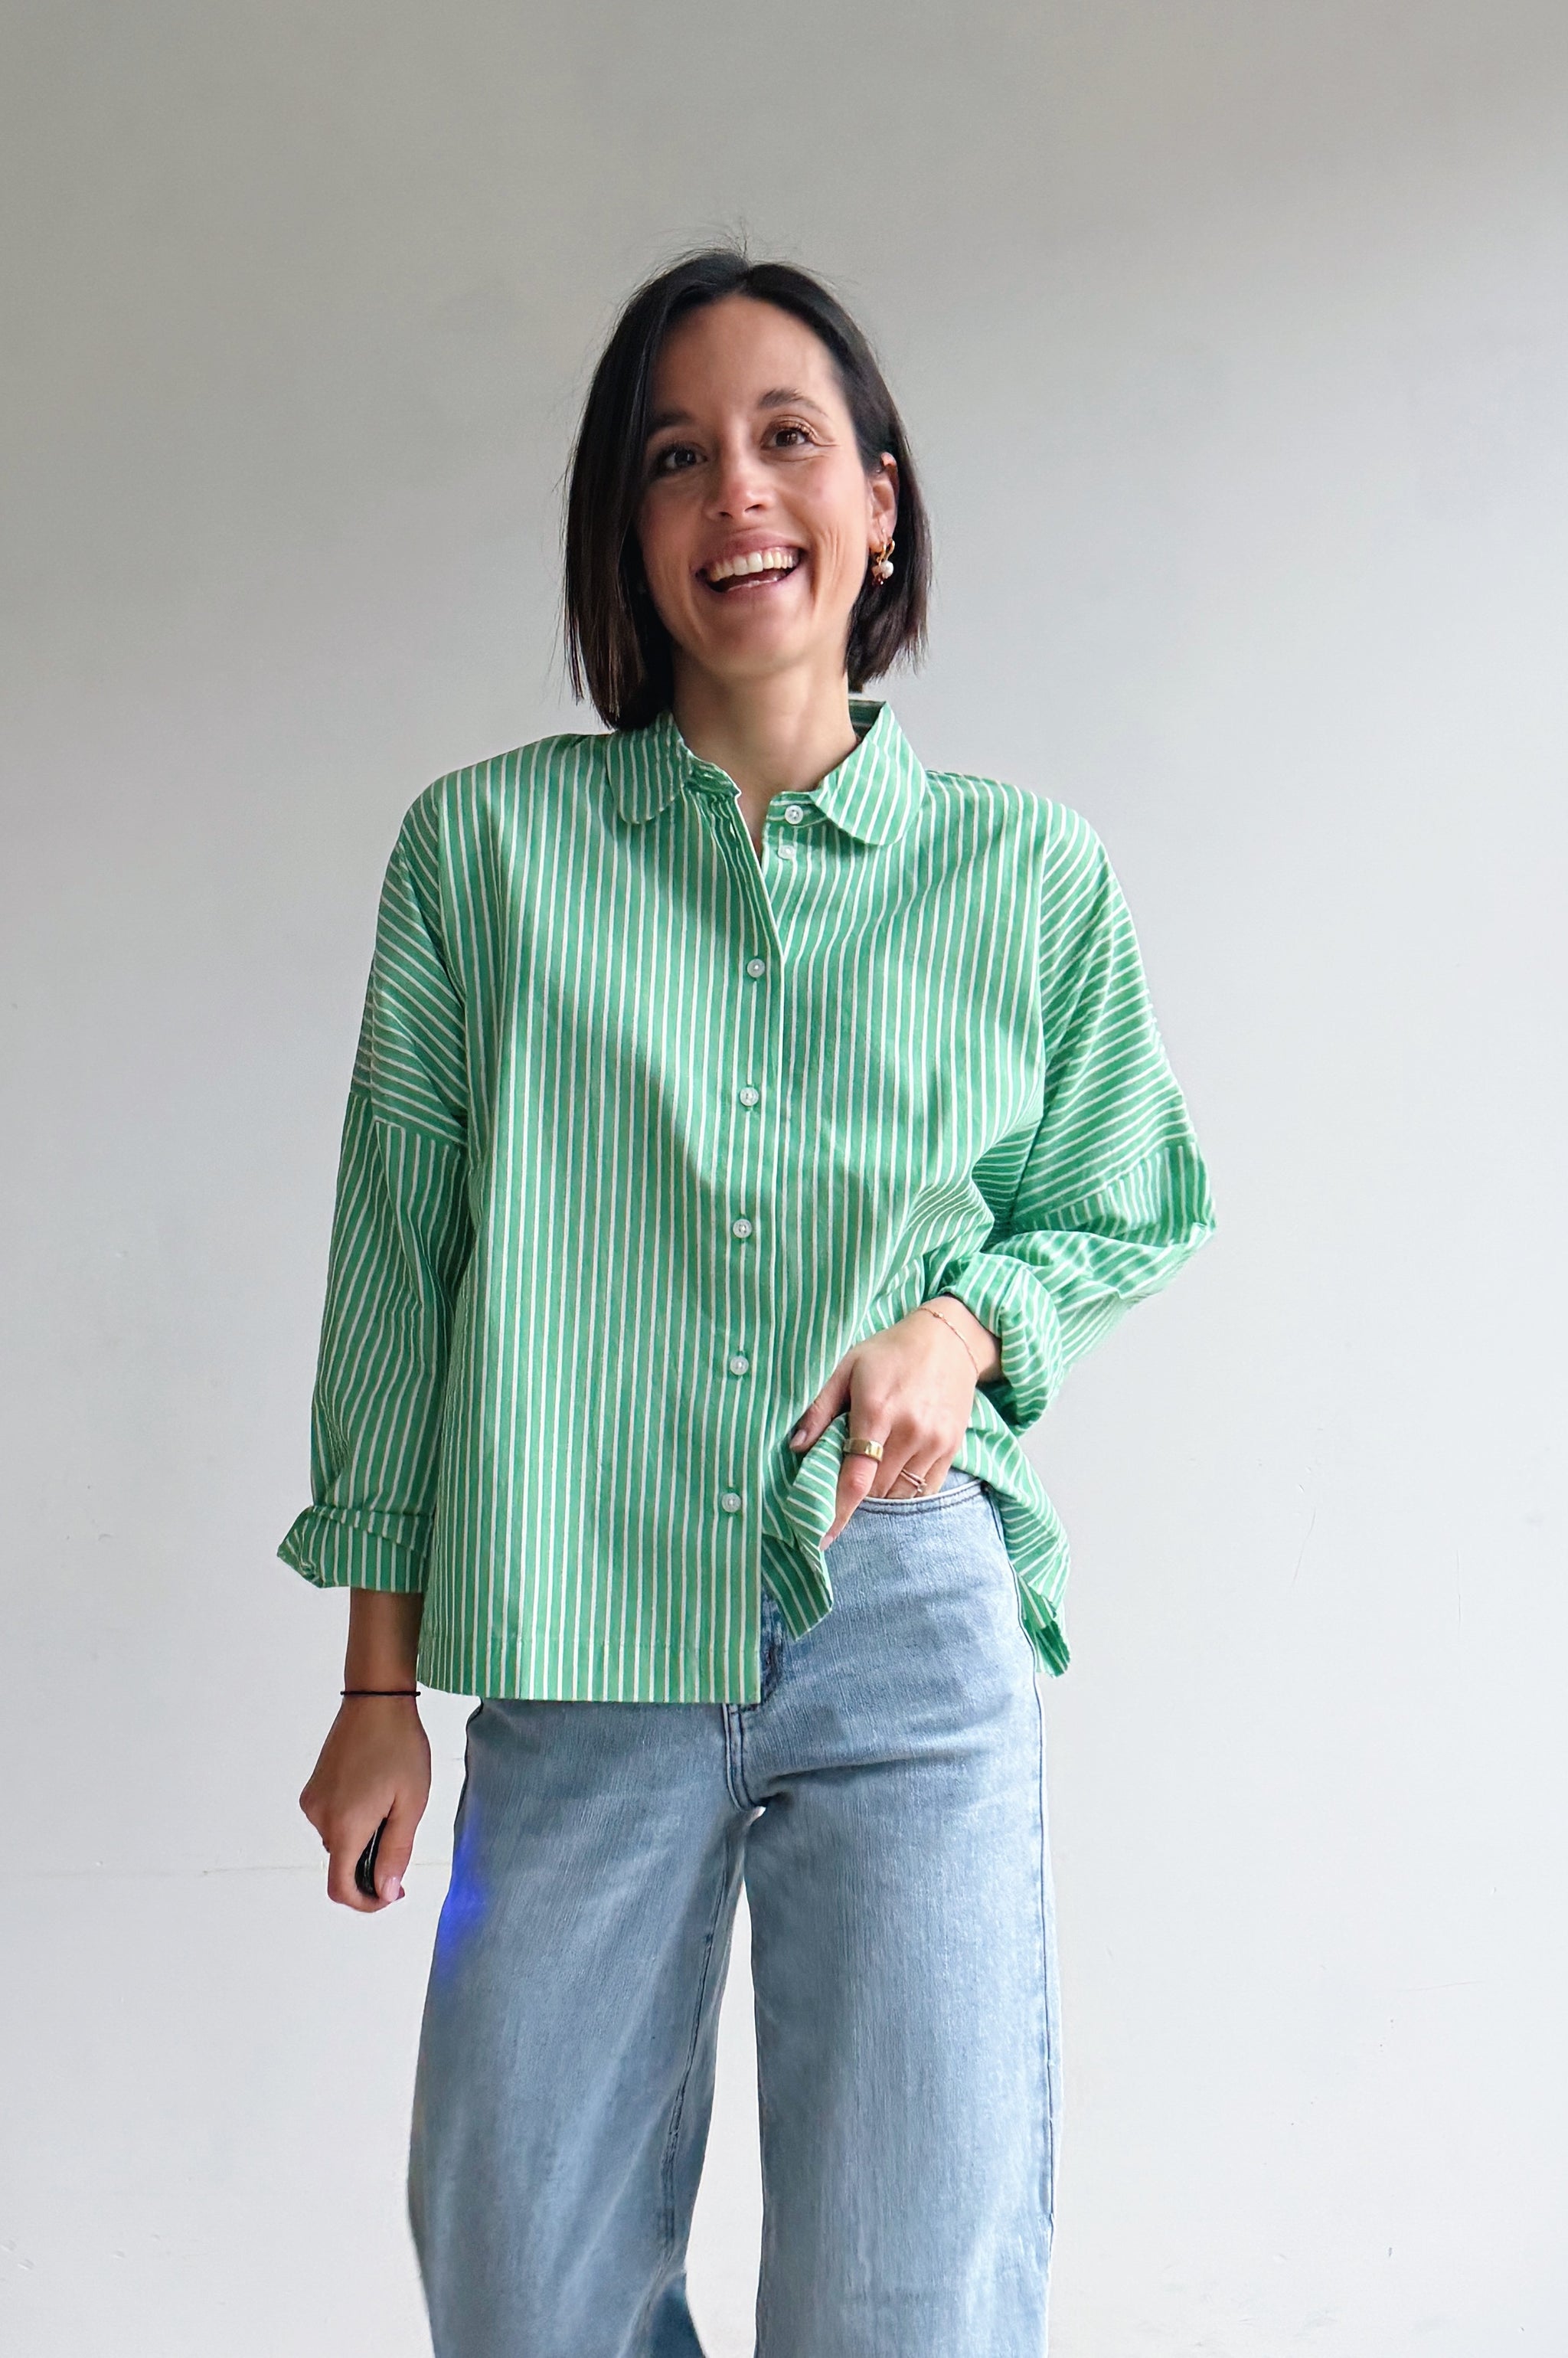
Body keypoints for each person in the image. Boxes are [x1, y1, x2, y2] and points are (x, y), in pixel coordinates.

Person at [286, 247, 1217, 2358]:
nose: (738, 495)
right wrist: (376, 1686)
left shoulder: (1031, 878)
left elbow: (1125, 1202)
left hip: (904, 1619)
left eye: (788, 440)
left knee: (908, 2296)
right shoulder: (485, 859)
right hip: (579, 1624)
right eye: (675, 457)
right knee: (522, 2285)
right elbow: (399, 1279)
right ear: (627, 531)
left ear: (878, 502)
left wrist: (964, 1325)